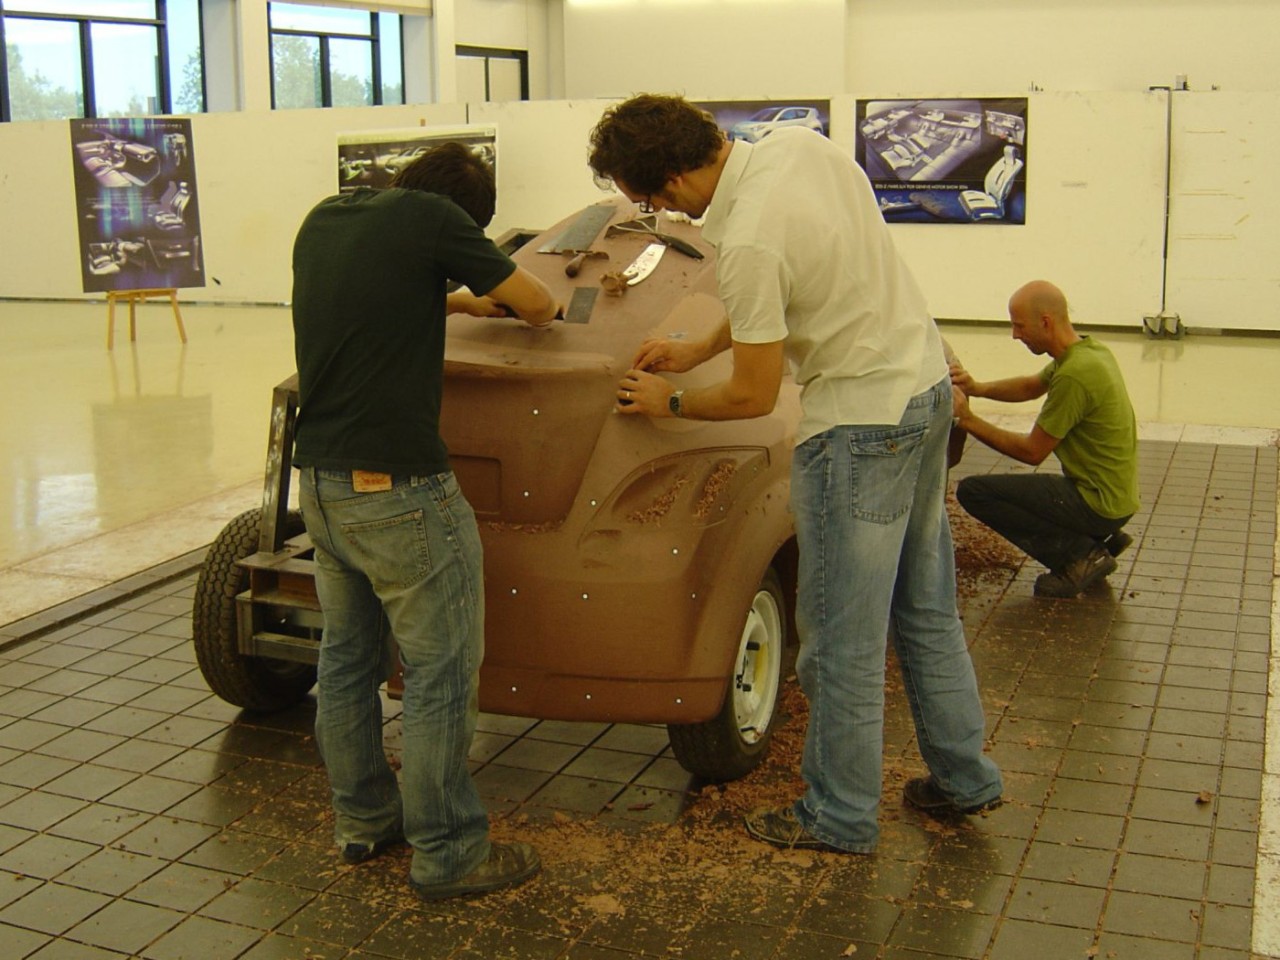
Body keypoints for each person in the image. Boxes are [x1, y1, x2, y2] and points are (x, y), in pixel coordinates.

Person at [588, 94, 1002, 853]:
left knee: (839, 638)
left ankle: (838, 816)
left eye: (654, 204)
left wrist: (669, 396)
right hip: (924, 387)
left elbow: (752, 392)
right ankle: (964, 777)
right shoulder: (793, 147)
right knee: (925, 607)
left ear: (674, 182)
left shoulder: (746, 243)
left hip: (859, 430)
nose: (667, 218)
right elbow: (777, 295)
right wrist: (698, 347)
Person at [290, 141, 561, 900]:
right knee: (441, 669)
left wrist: (454, 300)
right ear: (466, 214)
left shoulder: (326, 218)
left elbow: (369, 297)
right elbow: (539, 303)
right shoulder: (439, 219)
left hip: (325, 485)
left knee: (347, 661)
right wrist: (495, 286)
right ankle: (448, 852)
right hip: (402, 492)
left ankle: (365, 821)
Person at [949, 280, 1139, 598]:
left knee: (976, 492)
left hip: (1098, 503)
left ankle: (1080, 556)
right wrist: (977, 388)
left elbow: (1031, 451)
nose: (1015, 335)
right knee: (1031, 493)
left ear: (1046, 322)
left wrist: (967, 420)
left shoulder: (1075, 375)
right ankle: (1099, 539)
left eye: (1019, 326)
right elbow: (1030, 386)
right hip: (1116, 496)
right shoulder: (1088, 352)